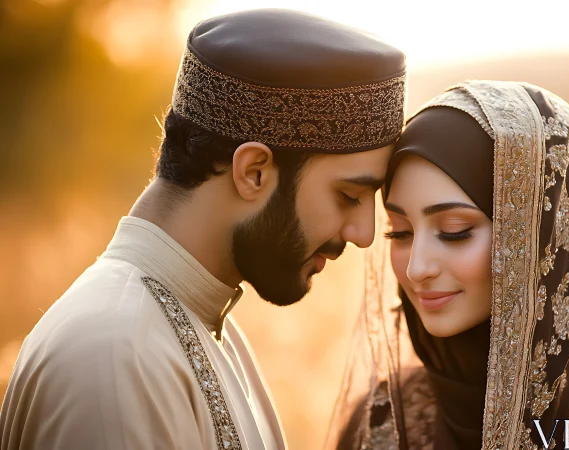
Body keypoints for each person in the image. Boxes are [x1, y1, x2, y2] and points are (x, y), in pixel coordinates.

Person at [0, 9, 405, 450]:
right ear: (253, 172)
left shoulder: (201, 328)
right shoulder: (114, 354)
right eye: (349, 195)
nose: (365, 233)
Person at [327, 81, 569, 449]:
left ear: (538, 238)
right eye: (400, 233)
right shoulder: (384, 424)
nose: (416, 268)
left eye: (454, 231)